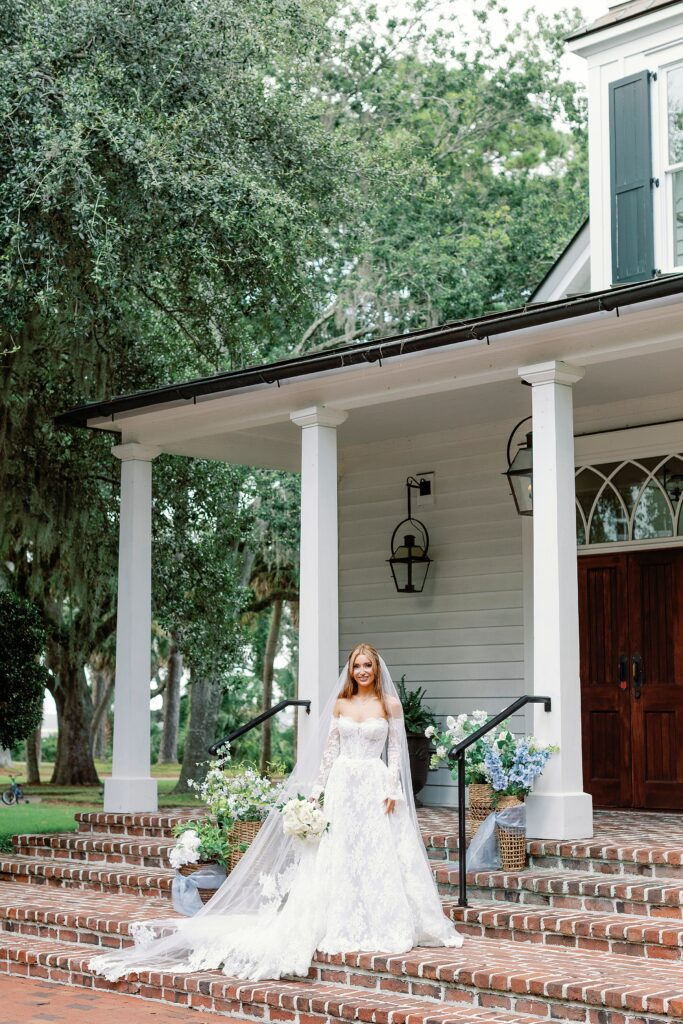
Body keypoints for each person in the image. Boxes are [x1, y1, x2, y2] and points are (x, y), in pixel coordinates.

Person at [90, 643, 462, 982]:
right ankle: (337, 918)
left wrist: (393, 787)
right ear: (350, 670)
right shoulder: (341, 705)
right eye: (357, 666)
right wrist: (316, 795)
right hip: (343, 786)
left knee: (377, 853)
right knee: (339, 852)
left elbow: (396, 751)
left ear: (376, 669)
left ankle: (384, 918)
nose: (362, 671)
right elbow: (329, 754)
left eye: (367, 665)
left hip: (375, 787)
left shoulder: (389, 705)